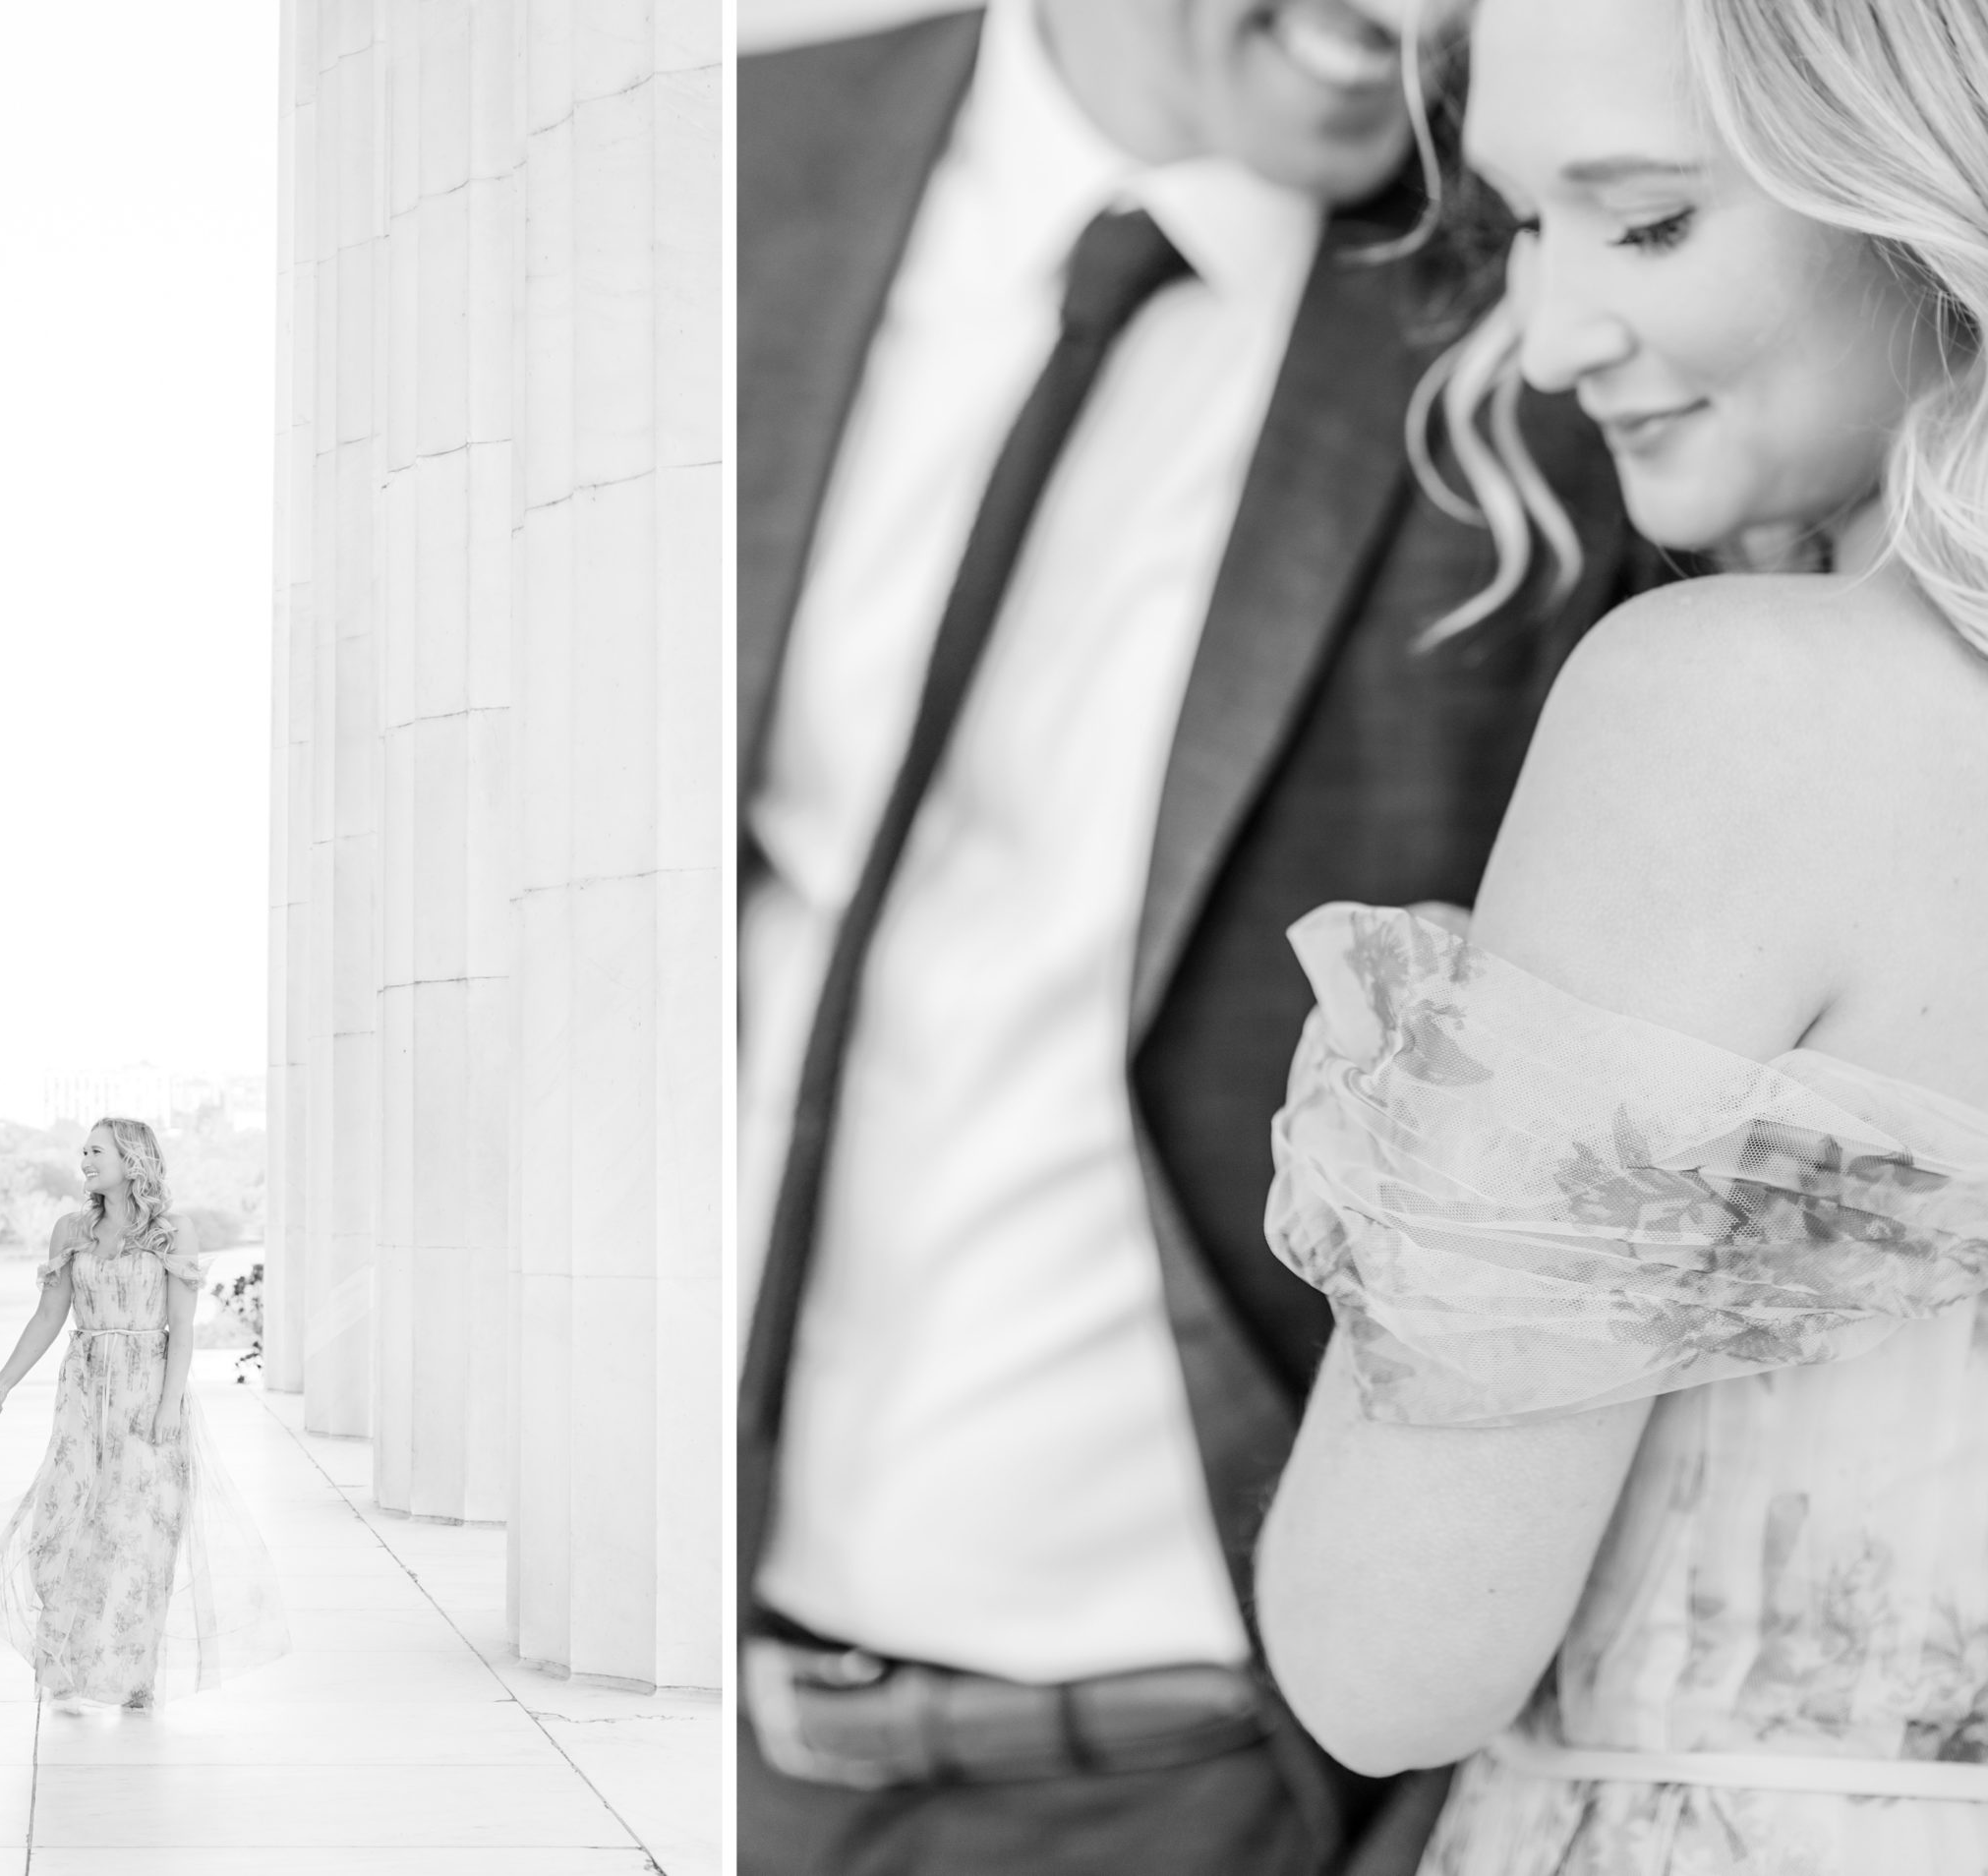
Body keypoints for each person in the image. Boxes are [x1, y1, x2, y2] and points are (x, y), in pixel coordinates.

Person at [734, 0, 1655, 1866]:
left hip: (1227, 1759)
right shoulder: (740, 159)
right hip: (703, 1718)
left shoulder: (1566, 292)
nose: (1415, 19)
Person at [1254, 0, 1988, 1869]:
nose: (1552, 334)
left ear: (1923, 181)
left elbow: (1380, 1654)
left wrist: (1418, 1145)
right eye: (1517, 228)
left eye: (1649, 219)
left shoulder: (1729, 712)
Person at [0, 1116, 288, 1707]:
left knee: (140, 1539)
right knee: (63, 1527)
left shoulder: (172, 1232)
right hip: (82, 1395)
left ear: (132, 1160)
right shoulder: (71, 1230)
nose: (84, 1159)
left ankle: (133, 1679)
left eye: (95, 1150)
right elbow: (49, 1317)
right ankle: (62, 1663)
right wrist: (0, 1382)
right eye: (82, 1150)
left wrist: (168, 1407)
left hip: (148, 1392)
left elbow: (182, 1330)